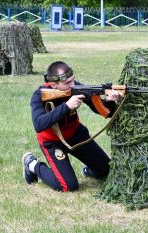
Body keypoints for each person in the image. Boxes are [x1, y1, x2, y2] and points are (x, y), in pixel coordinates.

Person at [22, 61, 124, 192]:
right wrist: (66, 106)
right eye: (67, 83)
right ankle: (32, 165)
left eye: (73, 80)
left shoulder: (77, 88)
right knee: (68, 186)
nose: (73, 85)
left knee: (106, 170)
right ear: (53, 84)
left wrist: (110, 101)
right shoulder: (39, 96)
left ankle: (89, 169)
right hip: (52, 142)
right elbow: (38, 124)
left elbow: (105, 112)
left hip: (77, 135)